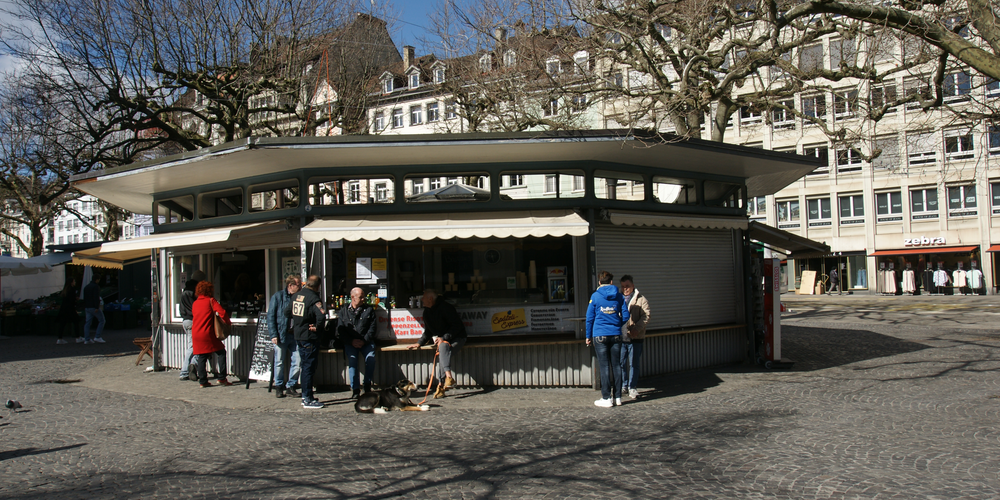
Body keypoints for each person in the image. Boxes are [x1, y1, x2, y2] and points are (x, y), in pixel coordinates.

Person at [408, 289, 467, 398]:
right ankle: (448, 379)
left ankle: (441, 385)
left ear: (430, 299)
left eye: (424, 297)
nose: (422, 299)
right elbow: (428, 331)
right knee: (443, 347)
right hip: (443, 341)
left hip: (458, 338)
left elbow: (457, 327)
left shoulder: (446, 308)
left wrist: (444, 337)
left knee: (443, 347)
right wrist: (419, 343)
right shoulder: (426, 312)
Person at [586, 270, 630, 408]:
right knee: (617, 365)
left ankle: (606, 398)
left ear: (599, 282)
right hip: (616, 334)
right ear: (611, 282)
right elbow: (626, 315)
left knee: (604, 366)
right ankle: (618, 397)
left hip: (599, 335)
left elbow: (590, 318)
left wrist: (588, 336)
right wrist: (617, 324)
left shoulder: (595, 296)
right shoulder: (619, 296)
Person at [284, 274, 326, 409]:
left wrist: (299, 320)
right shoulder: (313, 297)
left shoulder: (296, 295)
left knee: (305, 366)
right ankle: (307, 398)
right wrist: (316, 327)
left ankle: (307, 395)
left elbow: (286, 312)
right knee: (308, 367)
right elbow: (321, 315)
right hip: (309, 337)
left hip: (298, 336)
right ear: (317, 286)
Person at [191, 281, 234, 388]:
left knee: (201, 357)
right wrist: (228, 323)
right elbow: (222, 312)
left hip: (196, 333)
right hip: (207, 333)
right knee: (221, 352)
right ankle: (222, 378)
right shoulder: (210, 301)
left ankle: (203, 381)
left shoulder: (195, 303)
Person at [337, 287, 378, 399]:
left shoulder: (369, 310)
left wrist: (364, 340)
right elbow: (340, 330)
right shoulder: (344, 311)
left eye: (363, 296)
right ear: (352, 298)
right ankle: (355, 389)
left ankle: (367, 385)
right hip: (351, 342)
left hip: (365, 341)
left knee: (371, 359)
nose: (363, 299)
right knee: (352, 361)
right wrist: (351, 341)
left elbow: (372, 328)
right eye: (361, 297)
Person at [268, 275, 301, 398]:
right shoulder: (278, 297)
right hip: (282, 333)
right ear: (290, 285)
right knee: (279, 361)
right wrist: (273, 334)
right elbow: (270, 316)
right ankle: (279, 386)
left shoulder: (300, 297)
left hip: (296, 334)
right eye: (298, 285)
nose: (300, 287)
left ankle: (291, 386)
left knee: (297, 361)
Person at [618, 275, 650, 399]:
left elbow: (646, 316)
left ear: (633, 286)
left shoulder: (641, 300)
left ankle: (632, 387)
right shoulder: (618, 299)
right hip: (622, 337)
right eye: (623, 286)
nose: (625, 289)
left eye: (627, 286)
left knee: (633, 363)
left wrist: (637, 328)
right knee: (621, 363)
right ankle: (623, 385)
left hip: (635, 337)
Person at [178, 270, 207, 381]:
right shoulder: (195, 291)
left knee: (195, 345)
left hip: (185, 320)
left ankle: (193, 365)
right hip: (193, 321)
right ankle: (185, 371)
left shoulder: (185, 290)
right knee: (194, 346)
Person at [56, 278, 81, 344]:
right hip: (70, 309)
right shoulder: (72, 290)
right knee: (76, 322)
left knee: (62, 324)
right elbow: (72, 300)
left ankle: (60, 338)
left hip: (64, 309)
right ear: (71, 282)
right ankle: (78, 337)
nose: (75, 282)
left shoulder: (65, 290)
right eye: (74, 281)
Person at [82, 275, 106, 344]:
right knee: (102, 320)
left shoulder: (86, 287)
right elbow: (96, 297)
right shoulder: (96, 287)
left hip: (87, 307)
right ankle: (97, 336)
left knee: (87, 323)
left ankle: (87, 339)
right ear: (97, 279)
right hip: (93, 306)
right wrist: (96, 307)